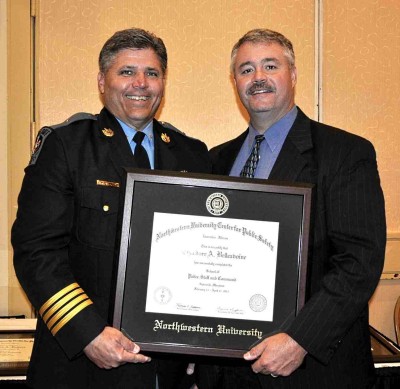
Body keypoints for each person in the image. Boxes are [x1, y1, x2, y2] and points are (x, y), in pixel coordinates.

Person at [12, 28, 211, 389]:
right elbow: (36, 252)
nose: (141, 84)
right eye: (126, 72)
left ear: (163, 82)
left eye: (152, 73)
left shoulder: (192, 154)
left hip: (165, 370)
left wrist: (207, 337)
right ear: (102, 81)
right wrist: (87, 333)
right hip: (81, 364)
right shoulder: (66, 146)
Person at [195, 28, 386, 389]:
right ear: (235, 81)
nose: (258, 78)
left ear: (294, 75)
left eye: (270, 65)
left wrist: (301, 340)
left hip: (309, 371)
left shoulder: (344, 153)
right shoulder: (215, 160)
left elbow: (359, 262)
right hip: (226, 373)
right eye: (246, 69)